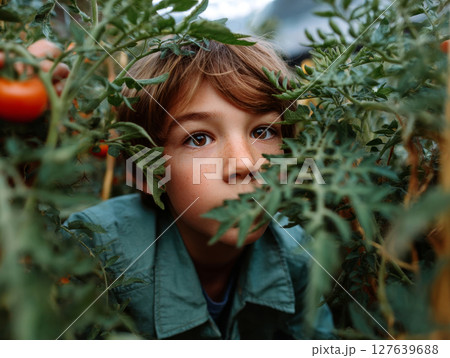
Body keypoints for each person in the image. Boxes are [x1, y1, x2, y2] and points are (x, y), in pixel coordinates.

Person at [64, 38, 335, 339]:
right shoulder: (95, 250)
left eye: (263, 131)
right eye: (198, 138)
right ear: (145, 171)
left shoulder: (298, 251)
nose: (245, 163)